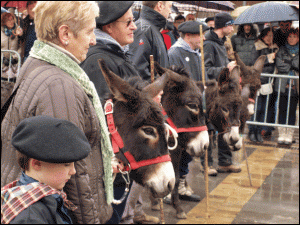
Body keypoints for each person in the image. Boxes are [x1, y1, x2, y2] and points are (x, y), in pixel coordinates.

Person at [1, 2, 123, 224]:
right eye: (89, 32)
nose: (94, 40)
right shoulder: (59, 87)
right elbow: (69, 169)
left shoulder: (37, 62)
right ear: (65, 33)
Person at [81, 2, 157, 224]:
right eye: (128, 22)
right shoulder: (100, 60)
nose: (134, 27)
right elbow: (104, 116)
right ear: (108, 27)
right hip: (109, 169)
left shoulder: (114, 54)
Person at [1, 116, 91, 224]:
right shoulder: (29, 218)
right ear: (37, 164)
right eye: (67, 164)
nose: (73, 171)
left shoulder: (44, 197)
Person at [203, 12, 241, 174]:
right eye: (230, 25)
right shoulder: (209, 44)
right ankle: (207, 164)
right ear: (224, 26)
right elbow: (206, 69)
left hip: (223, 94)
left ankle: (225, 162)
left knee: (225, 125)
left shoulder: (221, 43)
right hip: (212, 93)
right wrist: (226, 69)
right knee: (210, 128)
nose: (232, 28)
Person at [248, 27, 279, 143]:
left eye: (272, 36)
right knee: (257, 108)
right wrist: (268, 58)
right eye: (268, 35)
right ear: (263, 35)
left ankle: (259, 131)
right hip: (258, 81)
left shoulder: (275, 48)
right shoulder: (257, 46)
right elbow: (253, 62)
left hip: (269, 82)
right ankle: (252, 131)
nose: (270, 38)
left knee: (265, 108)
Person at [129, 1, 172, 81]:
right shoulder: (144, 29)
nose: (170, 11)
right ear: (160, 5)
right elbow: (137, 71)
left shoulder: (152, 29)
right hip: (153, 92)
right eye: (169, 7)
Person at [275, 27, 299, 145]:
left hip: (295, 85)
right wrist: (292, 66)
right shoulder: (282, 50)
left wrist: (290, 64)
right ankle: (282, 133)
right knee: (282, 108)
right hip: (283, 83)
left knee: (292, 110)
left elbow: (297, 65)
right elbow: (279, 65)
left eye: (294, 36)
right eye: (290, 36)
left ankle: (289, 133)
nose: (291, 39)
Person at [1, 11, 23, 79]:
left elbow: (22, 46)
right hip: (2, 65)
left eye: (12, 19)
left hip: (14, 65)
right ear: (4, 22)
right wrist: (2, 58)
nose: (11, 21)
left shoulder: (18, 31)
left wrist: (15, 57)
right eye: (8, 20)